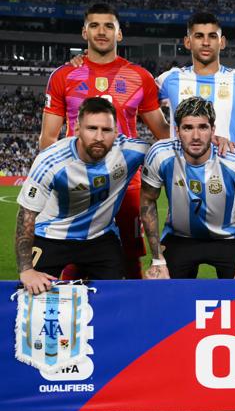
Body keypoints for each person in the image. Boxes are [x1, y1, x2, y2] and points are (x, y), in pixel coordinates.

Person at [40, 3, 169, 279]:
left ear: (119, 34)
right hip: (78, 182)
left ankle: (132, 321)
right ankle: (74, 318)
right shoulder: (64, 76)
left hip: (125, 184)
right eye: (95, 25)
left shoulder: (140, 77)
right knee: (71, 258)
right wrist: (58, 182)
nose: (102, 31)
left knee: (130, 260)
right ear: (84, 32)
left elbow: (164, 135)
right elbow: (48, 138)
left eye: (109, 26)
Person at [17, 99, 150, 294]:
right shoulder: (51, 161)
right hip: (52, 236)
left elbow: (170, 152)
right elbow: (26, 215)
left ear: (116, 132)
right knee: (32, 294)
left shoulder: (130, 151)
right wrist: (26, 270)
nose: (98, 136)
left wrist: (212, 143)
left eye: (106, 130)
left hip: (100, 237)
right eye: (91, 128)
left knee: (115, 296)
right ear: (77, 129)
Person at [139, 97, 235, 279]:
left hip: (229, 238)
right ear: (176, 131)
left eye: (202, 127)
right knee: (159, 292)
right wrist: (157, 260)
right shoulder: (161, 155)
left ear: (213, 130)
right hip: (180, 238)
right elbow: (147, 199)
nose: (195, 136)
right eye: (187, 128)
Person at [155, 12, 235, 148]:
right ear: (187, 42)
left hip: (226, 168)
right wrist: (175, 139)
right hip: (180, 168)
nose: (206, 42)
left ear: (222, 42)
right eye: (199, 36)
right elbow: (140, 109)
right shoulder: (169, 79)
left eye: (212, 36)